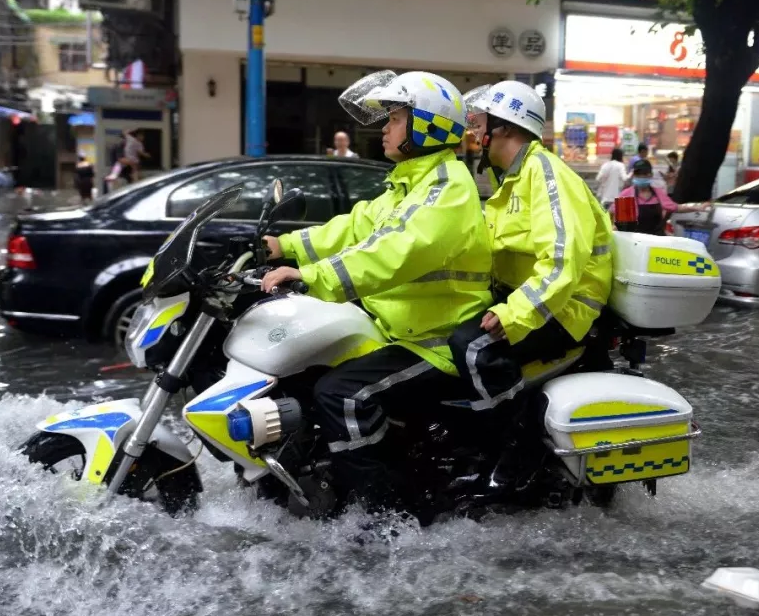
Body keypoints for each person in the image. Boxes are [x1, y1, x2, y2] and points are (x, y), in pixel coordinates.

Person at [260, 71, 492, 506]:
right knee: (307, 377)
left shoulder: (447, 189)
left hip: (432, 340)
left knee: (341, 394)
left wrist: (314, 276)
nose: (385, 127)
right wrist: (283, 246)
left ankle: (383, 512)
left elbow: (399, 250)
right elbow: (356, 228)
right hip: (394, 328)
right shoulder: (409, 182)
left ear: (427, 123)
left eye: (396, 118)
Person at [448, 80, 614, 412]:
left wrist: (514, 315)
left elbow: (560, 262)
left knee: (471, 347)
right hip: (531, 296)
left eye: (480, 125)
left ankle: (512, 442)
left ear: (505, 127)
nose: (475, 134)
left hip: (564, 309)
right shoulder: (511, 177)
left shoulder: (546, 175)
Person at [617, 159, 708, 236]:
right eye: (638, 174)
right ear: (634, 175)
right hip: (636, 244)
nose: (641, 176)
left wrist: (697, 207)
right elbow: (622, 226)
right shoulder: (626, 195)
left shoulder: (658, 193)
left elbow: (677, 207)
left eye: (645, 173)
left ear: (651, 175)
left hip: (657, 242)